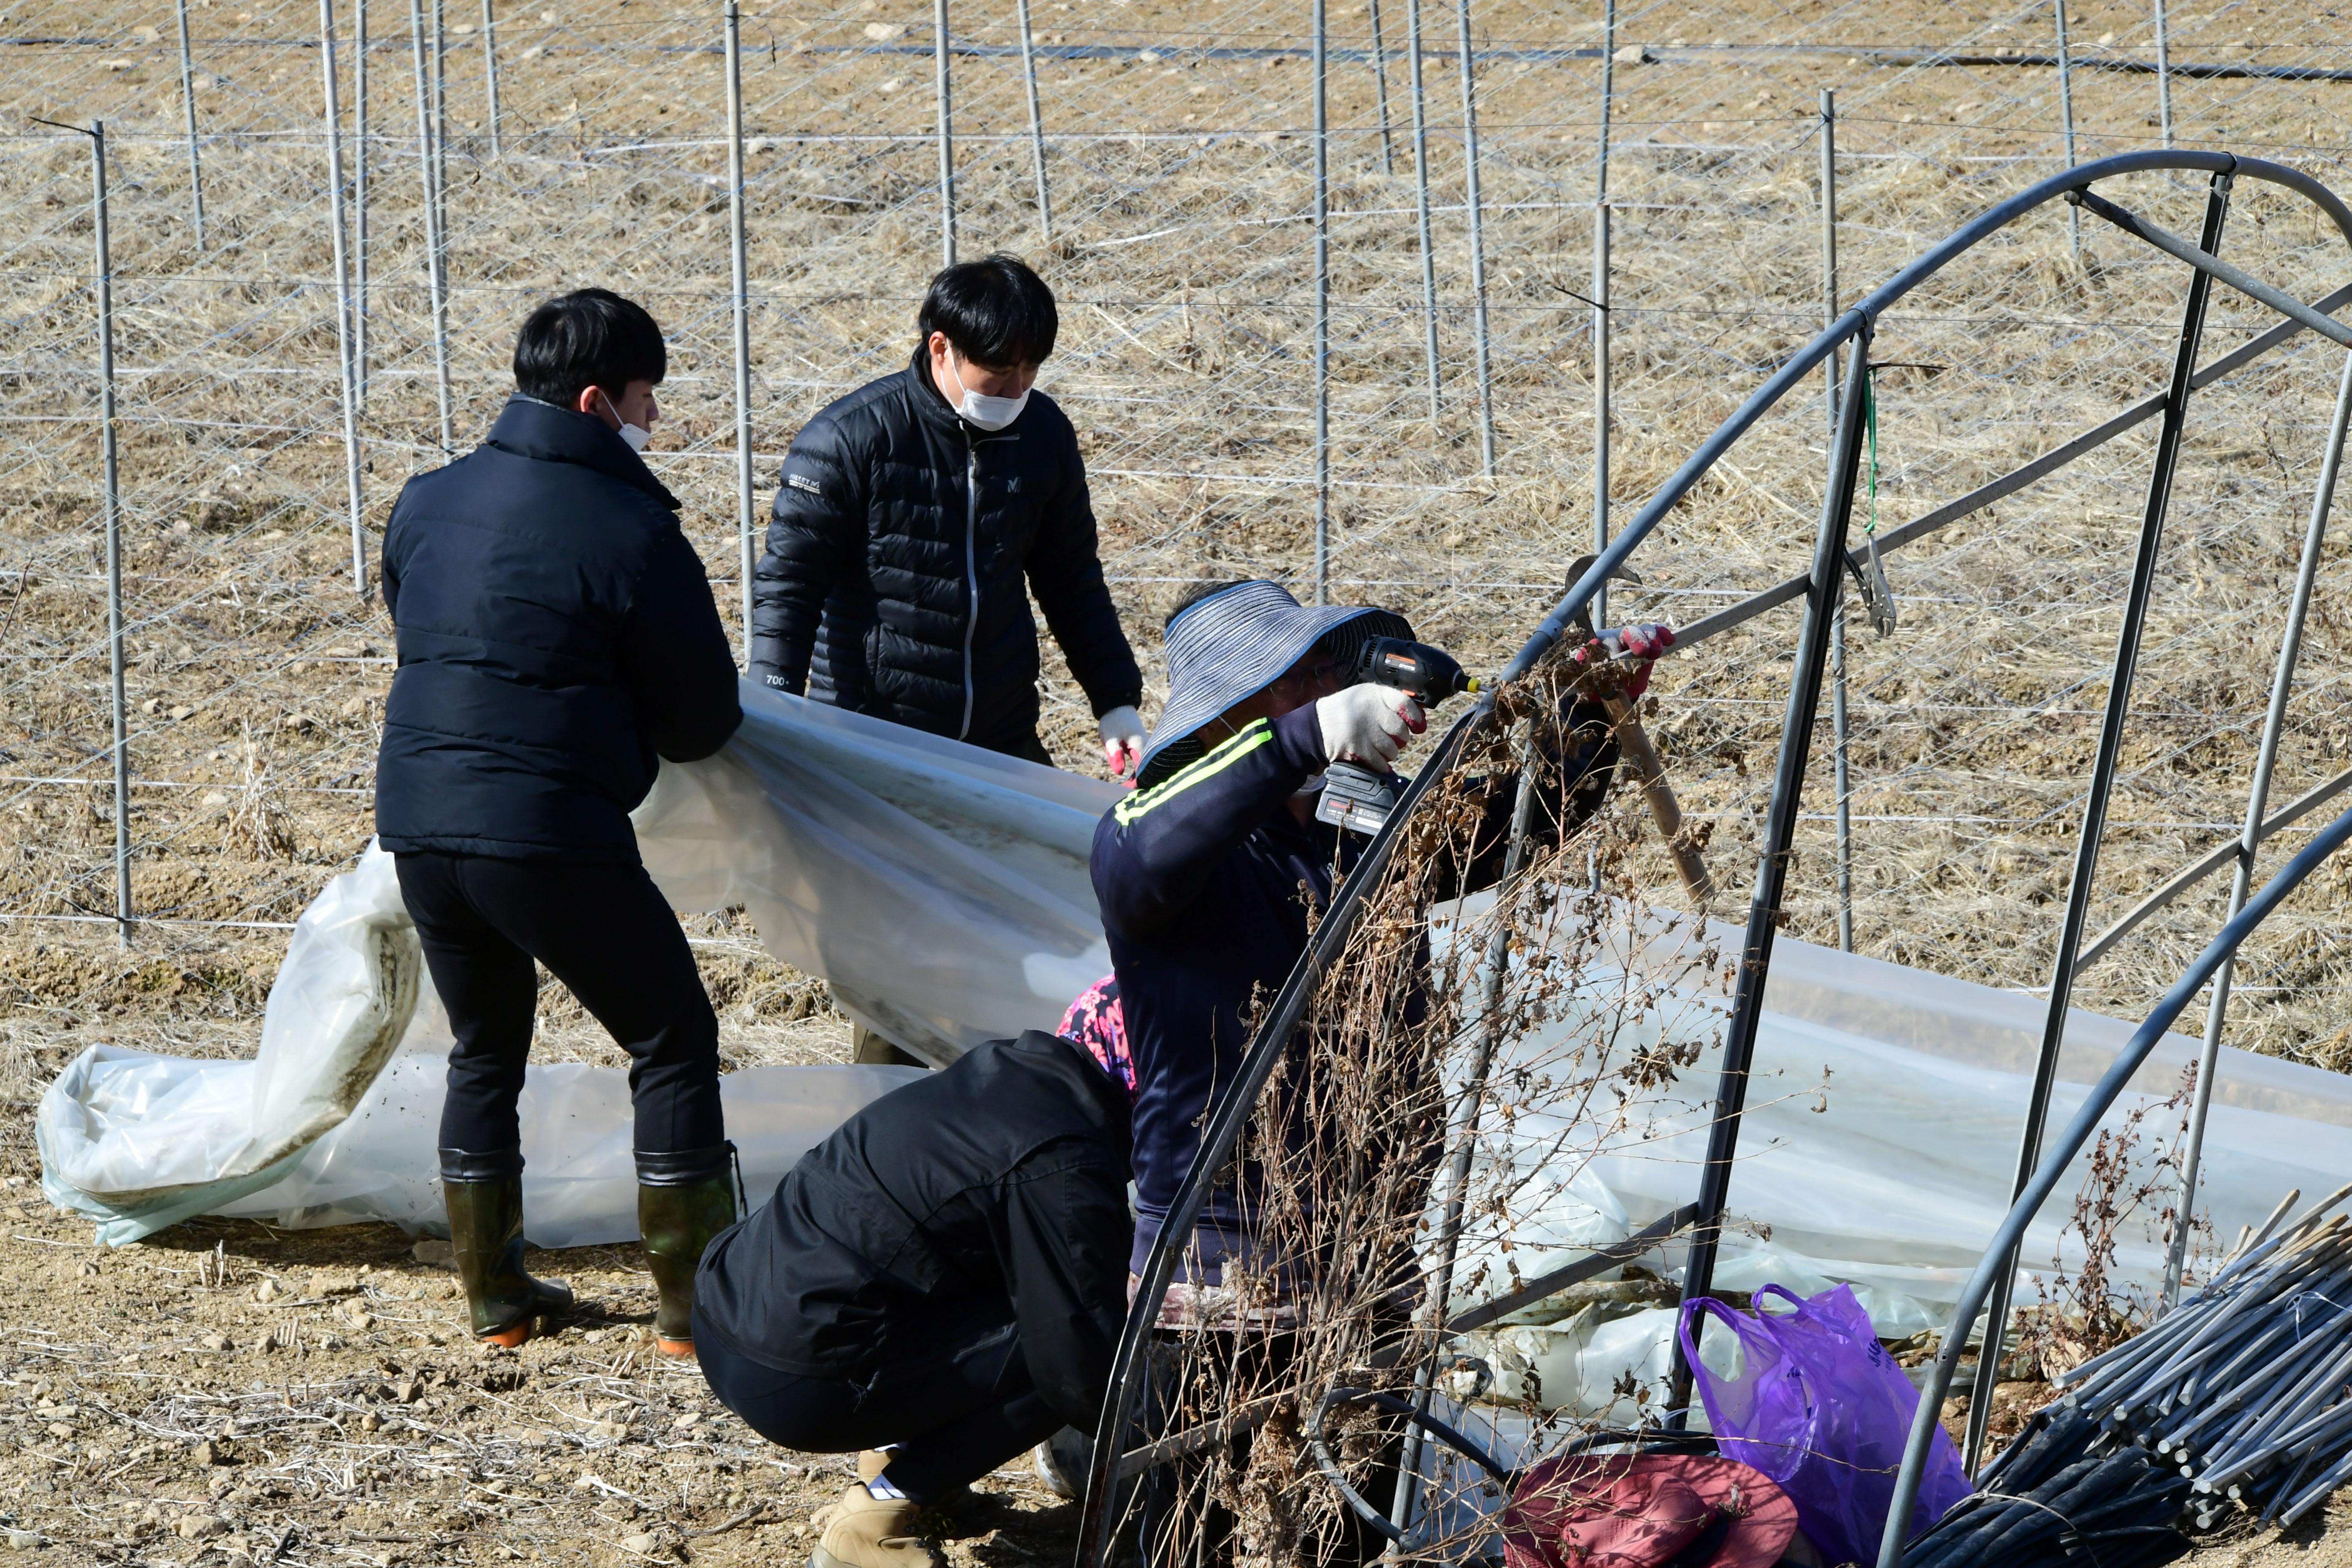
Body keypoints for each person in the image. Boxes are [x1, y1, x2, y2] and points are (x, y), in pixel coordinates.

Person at [1089, 579, 1669, 1285]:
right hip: (1224, 1265)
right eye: (1293, 681)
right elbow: (1142, 844)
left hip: (1372, 1252)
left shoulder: (1359, 821)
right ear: (1218, 724)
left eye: (1327, 671)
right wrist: (1311, 734)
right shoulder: (1152, 841)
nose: (1324, 688)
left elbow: (1517, 825)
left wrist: (1584, 712)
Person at [376, 288, 744, 1356]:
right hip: (545, 829)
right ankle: (690, 1307)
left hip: (418, 822)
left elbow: (424, 626)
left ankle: (495, 1299)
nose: (653, 423)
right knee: (671, 1036)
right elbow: (702, 720)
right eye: (644, 400)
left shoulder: (426, 498)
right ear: (596, 402)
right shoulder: (632, 528)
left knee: (485, 1047)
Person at [691, 1030, 1132, 1568]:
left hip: (725, 1306)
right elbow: (1081, 1373)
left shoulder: (1004, 1073)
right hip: (796, 1378)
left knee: (1015, 1277)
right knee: (1077, 1348)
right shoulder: (1065, 1157)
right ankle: (875, 1517)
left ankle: (896, 1459)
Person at [748, 253, 1145, 777]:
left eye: (1031, 371)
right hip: (873, 732)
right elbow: (789, 588)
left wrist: (1114, 698)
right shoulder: (849, 440)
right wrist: (772, 712)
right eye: (1000, 374)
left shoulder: (1043, 434)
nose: (1017, 390)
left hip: (999, 731)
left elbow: (1071, 577)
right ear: (942, 348)